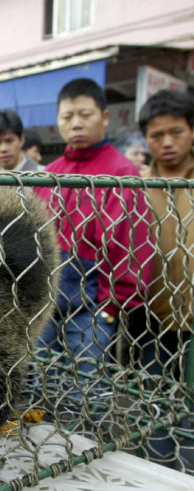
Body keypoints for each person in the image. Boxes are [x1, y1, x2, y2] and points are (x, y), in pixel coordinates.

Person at [34, 78, 153, 379]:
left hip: (94, 302)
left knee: (83, 386)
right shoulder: (51, 173)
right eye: (67, 116)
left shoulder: (122, 173)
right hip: (46, 297)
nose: (76, 124)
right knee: (38, 381)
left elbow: (133, 244)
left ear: (105, 116)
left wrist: (112, 305)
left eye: (85, 115)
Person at [135, 89, 194, 471]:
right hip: (150, 319)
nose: (167, 142)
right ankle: (154, 471)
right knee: (152, 400)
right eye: (157, 136)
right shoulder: (132, 186)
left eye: (177, 132)